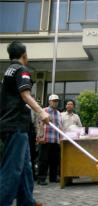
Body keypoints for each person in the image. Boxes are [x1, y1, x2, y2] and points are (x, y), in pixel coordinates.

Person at [0, 41, 49, 206]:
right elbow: (26, 95)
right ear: (24, 55)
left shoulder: (8, 71)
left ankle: (27, 201)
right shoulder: (22, 70)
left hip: (12, 124)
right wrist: (41, 112)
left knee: (26, 166)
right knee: (12, 168)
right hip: (15, 125)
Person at [37, 94, 62, 185]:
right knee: (43, 160)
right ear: (49, 101)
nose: (55, 103)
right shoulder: (44, 111)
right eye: (54, 101)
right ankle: (41, 178)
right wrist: (39, 137)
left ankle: (53, 178)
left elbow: (60, 127)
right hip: (45, 139)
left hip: (55, 140)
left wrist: (60, 139)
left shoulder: (59, 113)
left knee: (54, 160)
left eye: (57, 101)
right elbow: (39, 125)